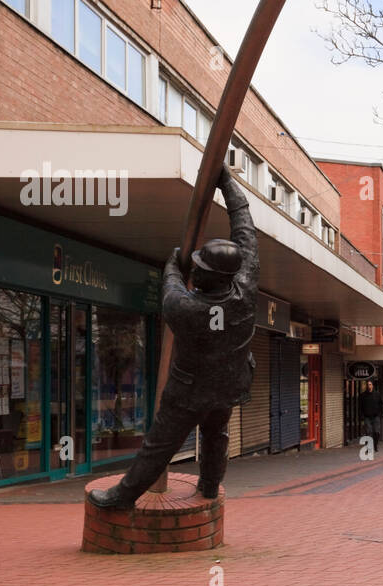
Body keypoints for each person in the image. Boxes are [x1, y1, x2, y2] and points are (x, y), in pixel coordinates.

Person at [88, 166, 258, 508]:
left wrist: (171, 263)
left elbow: (171, 287)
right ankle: (209, 487)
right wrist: (225, 182)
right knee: (216, 434)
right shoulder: (245, 288)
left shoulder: (186, 308)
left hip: (190, 391)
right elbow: (245, 227)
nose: (194, 268)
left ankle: (123, 497)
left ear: (210, 277)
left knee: (160, 444)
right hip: (229, 385)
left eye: (199, 267)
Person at [358, 380, 383, 451]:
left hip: (376, 416)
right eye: (367, 385)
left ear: (372, 385)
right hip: (367, 417)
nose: (368, 386)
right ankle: (369, 447)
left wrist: (382, 413)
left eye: (370, 384)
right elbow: (360, 407)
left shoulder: (377, 394)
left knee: (376, 432)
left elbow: (381, 404)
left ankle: (375, 445)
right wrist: (362, 416)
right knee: (368, 432)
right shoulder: (363, 395)